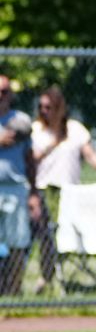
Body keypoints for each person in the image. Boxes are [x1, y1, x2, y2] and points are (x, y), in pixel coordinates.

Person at [30, 84, 96, 293]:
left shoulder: (75, 130)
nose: (44, 111)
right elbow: (32, 159)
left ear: (60, 108)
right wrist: (53, 143)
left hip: (70, 193)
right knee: (46, 237)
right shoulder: (36, 130)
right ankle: (45, 278)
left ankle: (57, 278)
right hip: (43, 189)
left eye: (49, 107)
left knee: (64, 238)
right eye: (41, 107)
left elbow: (90, 156)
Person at [0, 71, 34, 296]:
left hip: (15, 190)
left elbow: (30, 159)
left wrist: (34, 193)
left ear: (11, 94)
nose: (0, 96)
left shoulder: (19, 121)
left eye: (4, 92)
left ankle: (13, 292)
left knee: (17, 245)